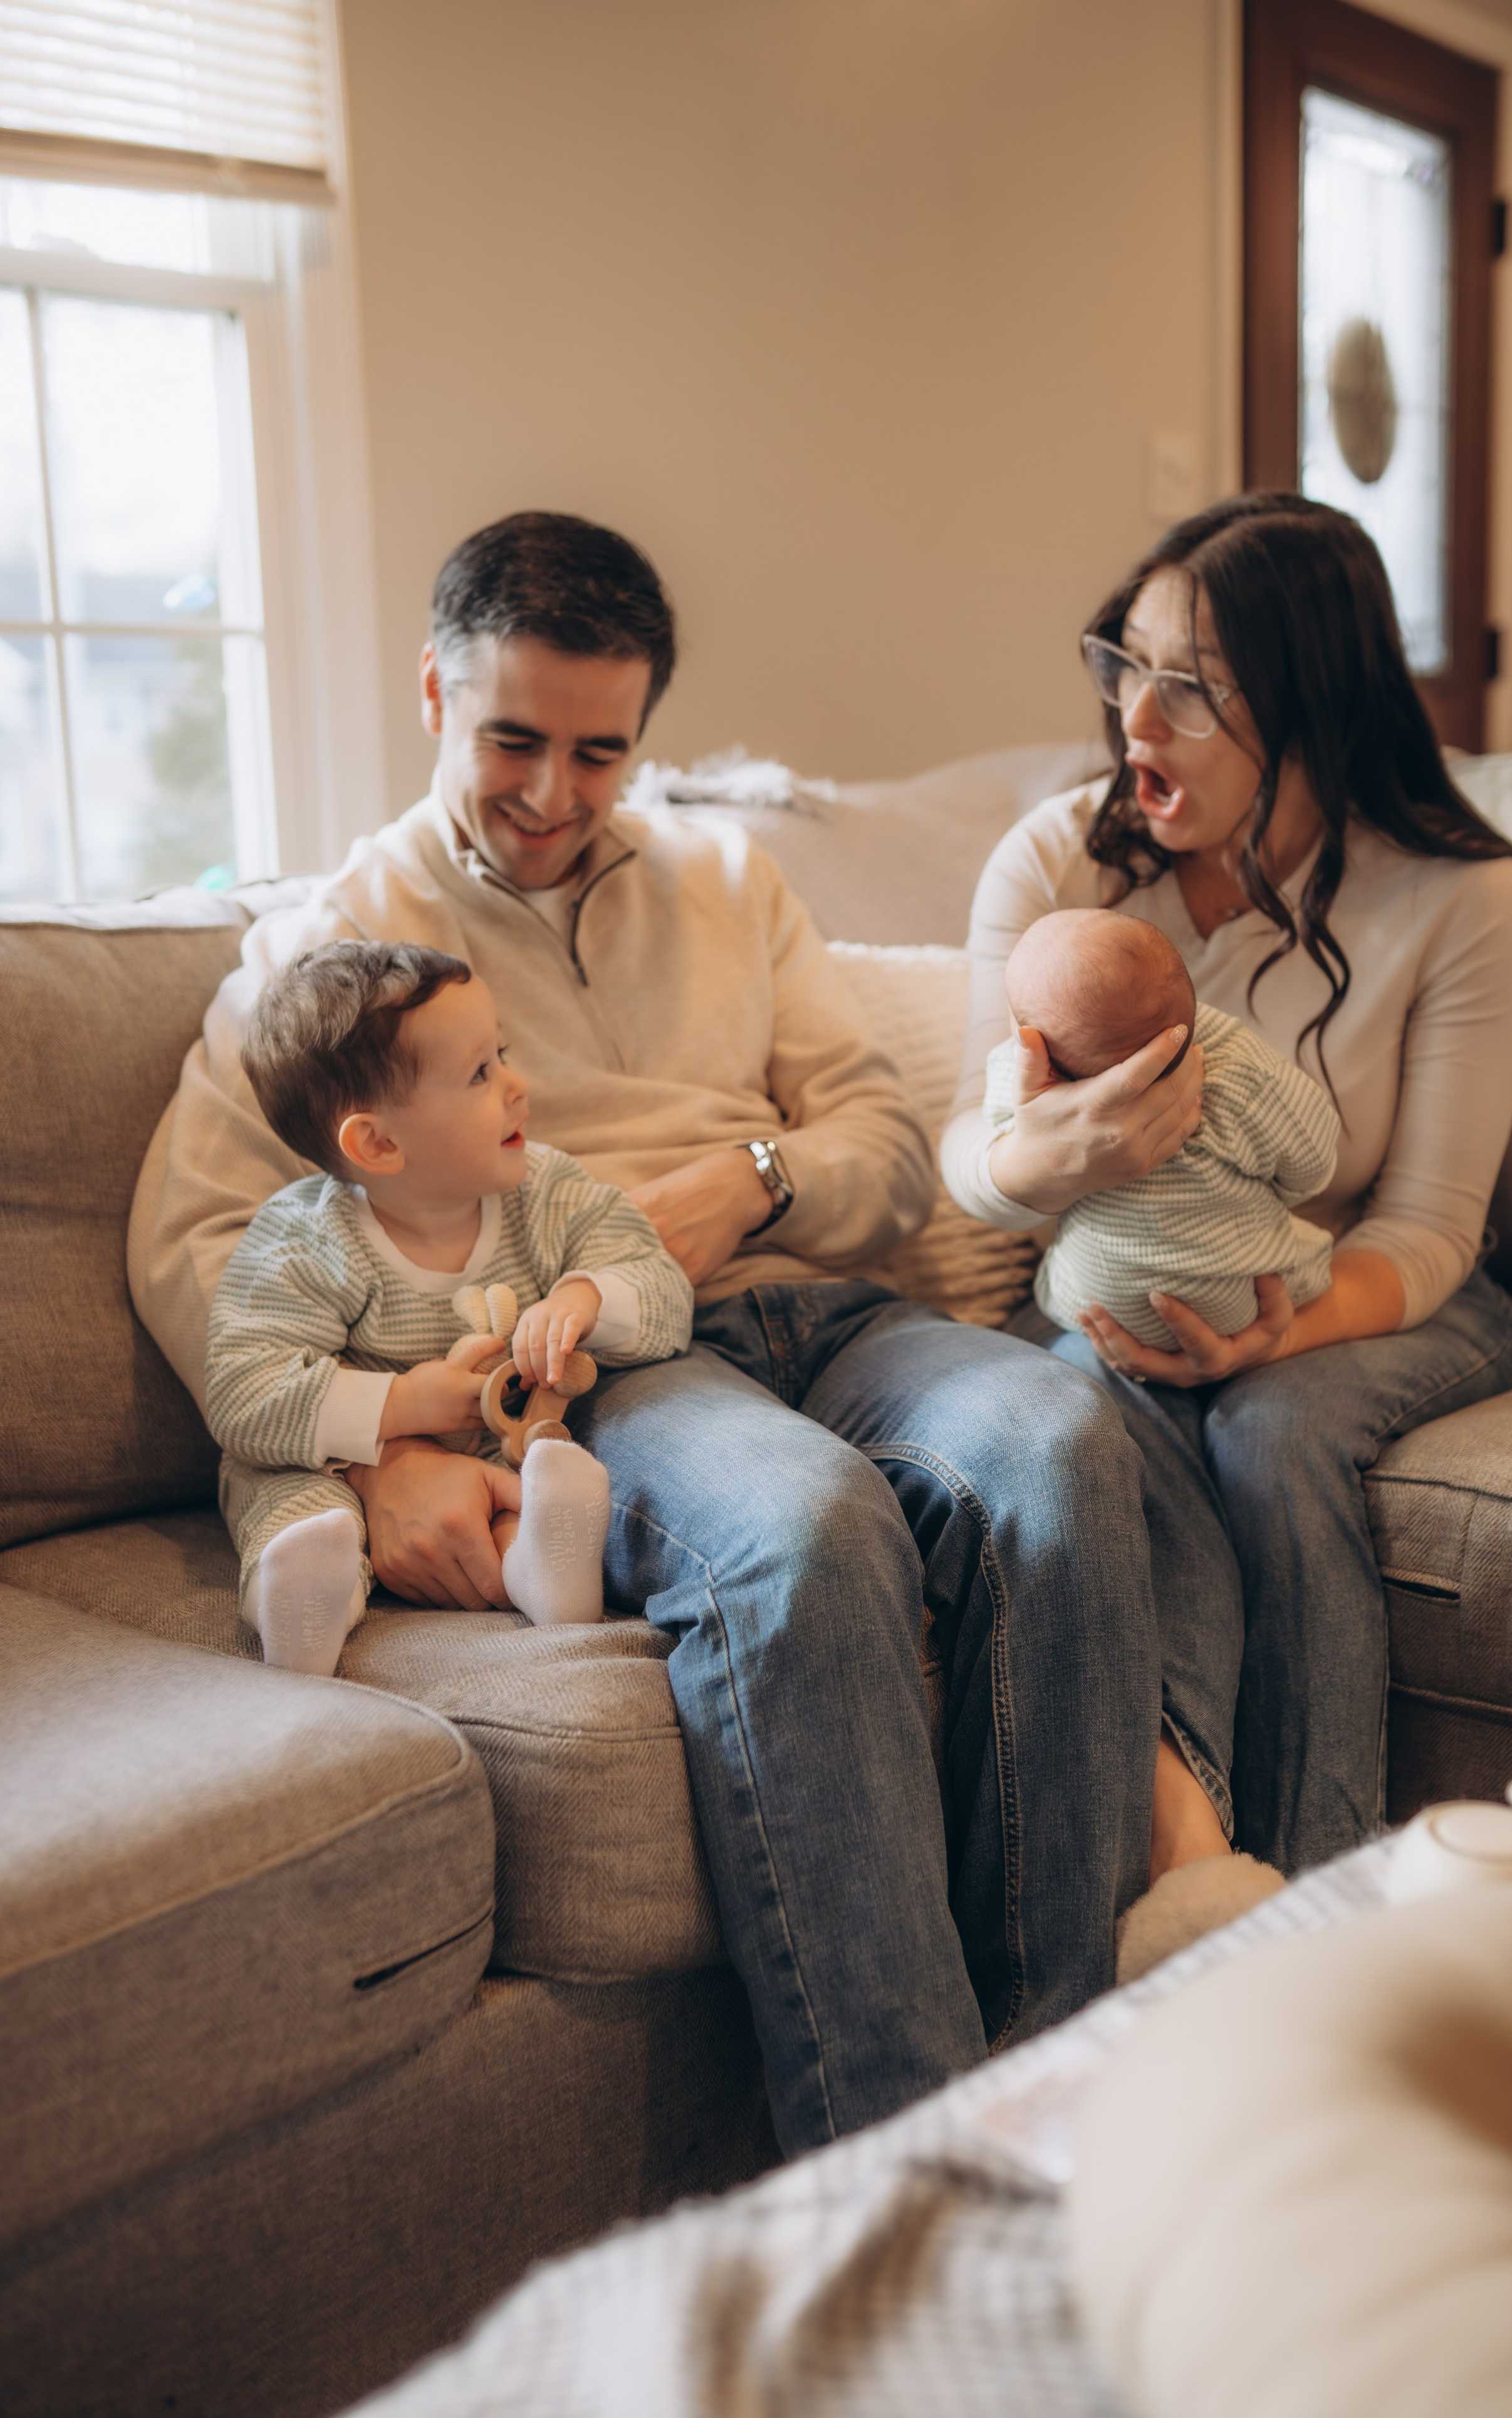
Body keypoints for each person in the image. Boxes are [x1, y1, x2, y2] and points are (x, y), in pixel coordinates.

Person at [130, 511, 1203, 2159]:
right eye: (511, 739)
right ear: (433, 691)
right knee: (809, 1524)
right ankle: (892, 2168)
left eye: (600, 750)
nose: (553, 794)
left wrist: (752, 1179)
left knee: (1065, 1441)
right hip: (600, 1355)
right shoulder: (335, 953)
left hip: (820, 1302)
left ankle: (1062, 2091)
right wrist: (390, 1442)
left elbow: (886, 1152)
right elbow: (200, 1244)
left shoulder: (727, 878)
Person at [942, 492, 1512, 1911]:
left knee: (1269, 1431)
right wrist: (1050, 1159)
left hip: (1394, 1291)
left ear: (1312, 703)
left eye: (1192, 690)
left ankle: (1321, 1907)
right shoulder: (1055, 866)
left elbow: (1429, 1228)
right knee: (1094, 1397)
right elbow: (968, 1162)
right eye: (1124, 664)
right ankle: (1195, 1881)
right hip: (1136, 1278)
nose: (1134, 722)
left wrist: (1274, 1334)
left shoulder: (1459, 898)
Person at [205, 939, 695, 1671]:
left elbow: (662, 1287)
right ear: (377, 1142)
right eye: (479, 1073)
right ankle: (305, 1597)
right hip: (346, 1467)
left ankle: (538, 1568)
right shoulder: (306, 1241)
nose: (518, 1085)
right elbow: (243, 1394)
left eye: (501, 1053)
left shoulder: (549, 1192)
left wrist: (585, 1295)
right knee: (292, 1494)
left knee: (530, 1477)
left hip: (494, 1455)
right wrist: (400, 1406)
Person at [986, 908, 1341, 1349]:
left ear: (1033, 1045)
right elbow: (1315, 1164)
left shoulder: (1016, 1080)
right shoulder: (1238, 1068)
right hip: (1247, 1299)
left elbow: (996, 1137)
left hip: (1098, 1311)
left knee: (1060, 1282)